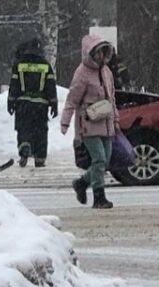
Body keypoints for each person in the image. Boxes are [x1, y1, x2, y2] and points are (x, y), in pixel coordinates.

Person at [61, 35, 118, 210]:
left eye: (103, 51)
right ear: (90, 53)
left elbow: (112, 97)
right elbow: (72, 99)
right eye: (97, 52)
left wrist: (115, 119)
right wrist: (66, 122)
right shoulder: (82, 73)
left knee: (105, 161)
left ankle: (82, 182)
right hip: (89, 123)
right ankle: (99, 197)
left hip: (106, 121)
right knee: (99, 159)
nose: (101, 56)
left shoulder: (106, 71)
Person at [8, 37, 57, 167]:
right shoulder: (45, 65)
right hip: (40, 105)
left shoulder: (19, 65)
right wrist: (53, 103)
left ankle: (24, 146)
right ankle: (40, 158)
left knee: (23, 128)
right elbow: (50, 85)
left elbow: (14, 84)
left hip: (23, 104)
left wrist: (11, 101)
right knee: (40, 131)